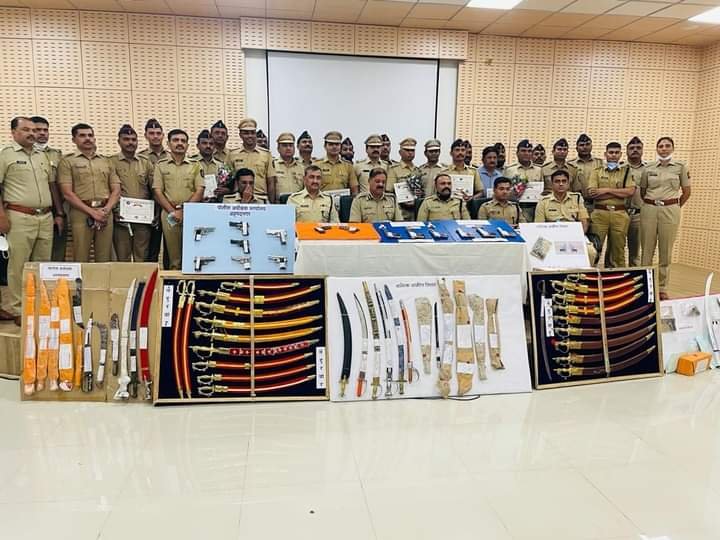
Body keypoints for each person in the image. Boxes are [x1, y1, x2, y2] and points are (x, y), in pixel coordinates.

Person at [0, 117, 62, 324]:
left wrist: (58, 214)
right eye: (26, 129)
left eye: (34, 130)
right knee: (18, 265)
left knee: (42, 264)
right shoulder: (5, 155)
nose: (32, 133)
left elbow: (51, 185)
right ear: (13, 132)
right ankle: (19, 309)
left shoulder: (41, 155)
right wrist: (1, 216)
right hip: (19, 216)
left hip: (45, 216)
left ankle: (39, 305)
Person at [57, 123, 121, 263]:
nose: (87, 138)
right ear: (74, 139)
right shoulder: (67, 162)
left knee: (104, 258)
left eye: (90, 135)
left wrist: (105, 210)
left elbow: (116, 190)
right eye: (82, 135)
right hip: (81, 212)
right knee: (81, 256)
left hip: (105, 212)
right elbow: (67, 193)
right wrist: (92, 212)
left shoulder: (106, 161)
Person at [640, 136, 691, 300]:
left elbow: (687, 191)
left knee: (666, 250)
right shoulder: (648, 167)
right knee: (646, 250)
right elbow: (642, 191)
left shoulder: (680, 167)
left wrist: (674, 206)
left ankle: (662, 287)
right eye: (661, 146)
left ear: (672, 148)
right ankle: (644, 283)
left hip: (670, 210)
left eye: (667, 146)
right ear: (656, 149)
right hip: (649, 209)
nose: (664, 149)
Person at [151, 129, 204, 270]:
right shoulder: (161, 165)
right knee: (174, 256)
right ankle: (175, 282)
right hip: (169, 214)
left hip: (191, 213)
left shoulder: (196, 165)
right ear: (168, 144)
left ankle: (191, 282)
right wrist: (173, 212)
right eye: (175, 140)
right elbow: (157, 191)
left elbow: (200, 190)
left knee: (192, 252)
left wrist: (184, 210)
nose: (179, 143)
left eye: (183, 141)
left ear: (187, 145)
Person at [587, 142, 636, 268]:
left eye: (616, 153)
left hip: (619, 214)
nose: (613, 155)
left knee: (617, 250)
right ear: (605, 154)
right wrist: (619, 193)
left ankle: (616, 276)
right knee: (594, 248)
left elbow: (630, 192)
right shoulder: (597, 172)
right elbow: (592, 193)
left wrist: (605, 190)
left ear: (620, 154)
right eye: (611, 152)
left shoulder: (626, 172)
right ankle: (591, 274)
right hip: (599, 214)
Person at [110, 124, 154, 262]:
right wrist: (113, 210)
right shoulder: (111, 162)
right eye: (126, 139)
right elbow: (107, 190)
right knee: (122, 257)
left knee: (142, 256)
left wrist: (154, 212)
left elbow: (153, 189)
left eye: (133, 139)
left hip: (143, 218)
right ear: (119, 141)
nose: (130, 142)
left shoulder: (145, 162)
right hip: (120, 217)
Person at [535, 169, 597, 264]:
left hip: (573, 235)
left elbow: (584, 222)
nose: (561, 184)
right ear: (552, 184)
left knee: (590, 252)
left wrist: (577, 236)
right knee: (537, 254)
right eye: (557, 181)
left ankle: (584, 273)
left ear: (568, 184)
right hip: (549, 236)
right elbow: (539, 226)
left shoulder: (577, 198)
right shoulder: (543, 201)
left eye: (564, 181)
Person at [31, 116, 66, 262]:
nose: (42, 133)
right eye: (38, 130)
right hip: (29, 210)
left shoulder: (57, 154)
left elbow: (59, 183)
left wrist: (59, 213)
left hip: (55, 209)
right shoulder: (18, 154)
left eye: (45, 130)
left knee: (56, 252)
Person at [226, 118, 277, 202]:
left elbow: (271, 181)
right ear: (240, 135)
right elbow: (227, 181)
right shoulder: (232, 154)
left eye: (252, 133)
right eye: (246, 133)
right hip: (238, 199)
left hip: (260, 198)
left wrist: (272, 204)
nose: (250, 136)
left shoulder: (266, 155)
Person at [139, 118, 168, 262]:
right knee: (150, 250)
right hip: (148, 208)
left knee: (170, 249)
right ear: (145, 135)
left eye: (158, 133)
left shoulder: (171, 156)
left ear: (163, 135)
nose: (155, 136)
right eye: (151, 133)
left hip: (168, 207)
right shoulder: (140, 157)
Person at [385, 138, 421, 220]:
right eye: (407, 150)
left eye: (412, 150)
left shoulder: (417, 170)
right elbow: (388, 193)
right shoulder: (393, 169)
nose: (410, 153)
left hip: (415, 213)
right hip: (400, 213)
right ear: (400, 152)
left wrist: (418, 194)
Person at [624, 136, 646, 266]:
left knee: (635, 251)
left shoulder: (648, 169)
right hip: (620, 212)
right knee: (616, 249)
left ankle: (634, 275)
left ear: (642, 150)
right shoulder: (620, 168)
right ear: (626, 151)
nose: (635, 150)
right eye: (632, 148)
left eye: (638, 148)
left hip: (639, 214)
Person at [194, 129, 227, 202]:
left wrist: (224, 190)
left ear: (214, 146)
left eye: (211, 144)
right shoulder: (191, 163)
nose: (208, 146)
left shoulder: (221, 165)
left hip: (215, 203)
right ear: (197, 146)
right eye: (204, 143)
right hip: (195, 202)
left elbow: (226, 185)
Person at [569, 133, 603, 200]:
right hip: (576, 200)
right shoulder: (570, 164)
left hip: (596, 201)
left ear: (591, 146)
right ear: (576, 148)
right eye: (581, 145)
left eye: (587, 144)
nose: (585, 147)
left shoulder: (600, 163)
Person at [273, 132, 305, 196]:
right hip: (278, 201)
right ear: (278, 149)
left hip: (297, 201)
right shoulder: (273, 165)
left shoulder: (301, 167)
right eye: (285, 145)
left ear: (294, 148)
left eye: (290, 145)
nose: (288, 148)